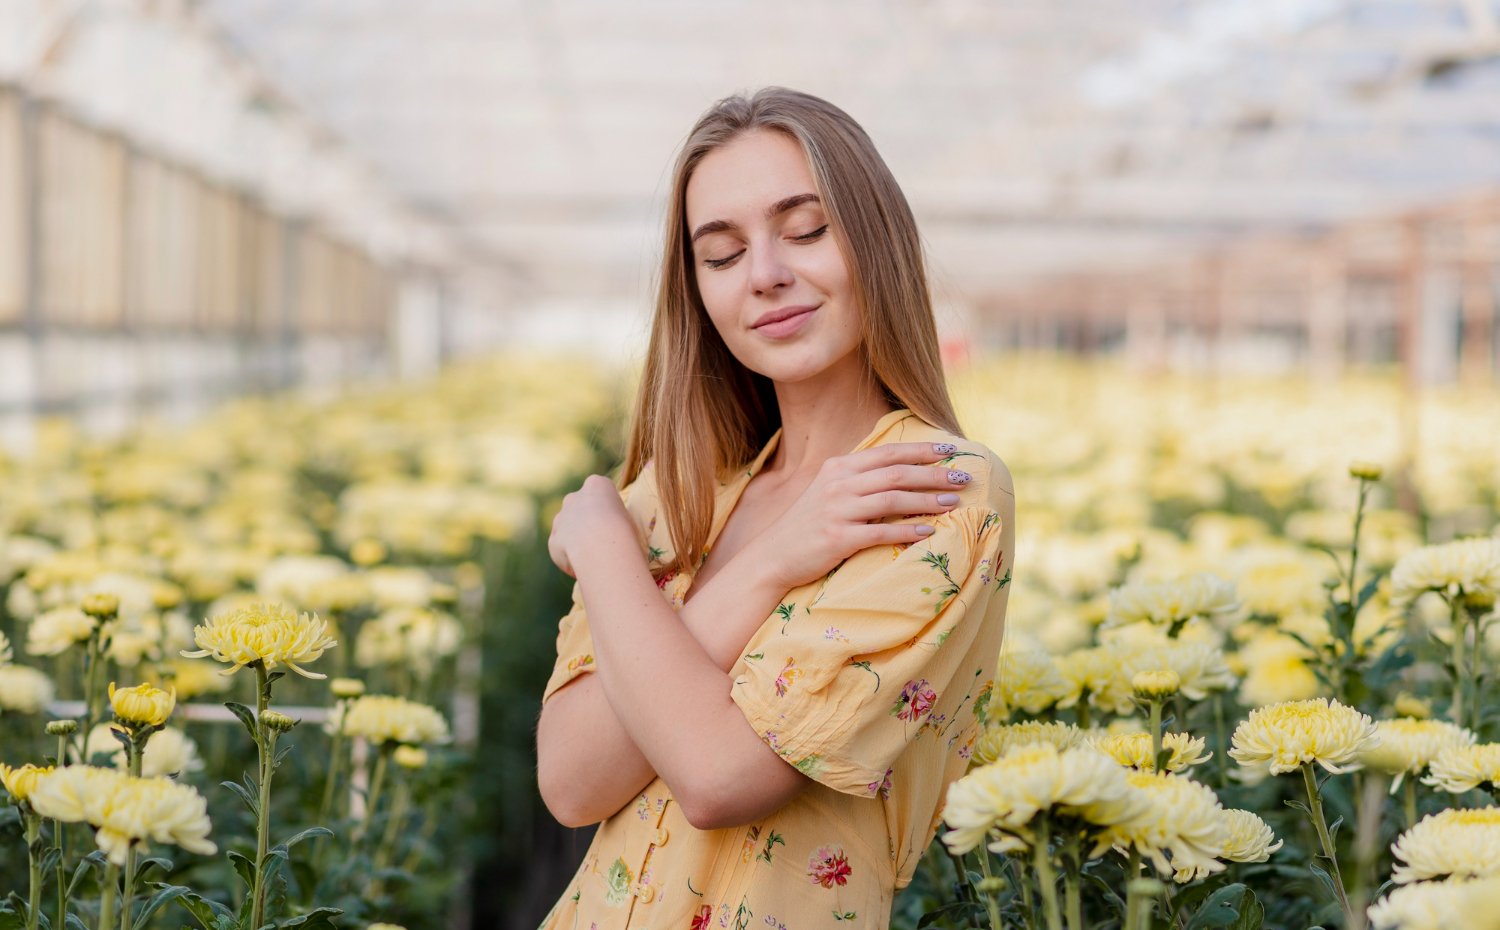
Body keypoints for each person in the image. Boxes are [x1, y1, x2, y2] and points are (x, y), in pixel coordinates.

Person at [535, 86, 1015, 930]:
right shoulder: (677, 496)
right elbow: (572, 783)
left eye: (807, 230)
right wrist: (769, 561)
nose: (766, 276)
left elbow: (719, 777)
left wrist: (603, 552)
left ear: (877, 239)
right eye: (720, 256)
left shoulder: (935, 487)